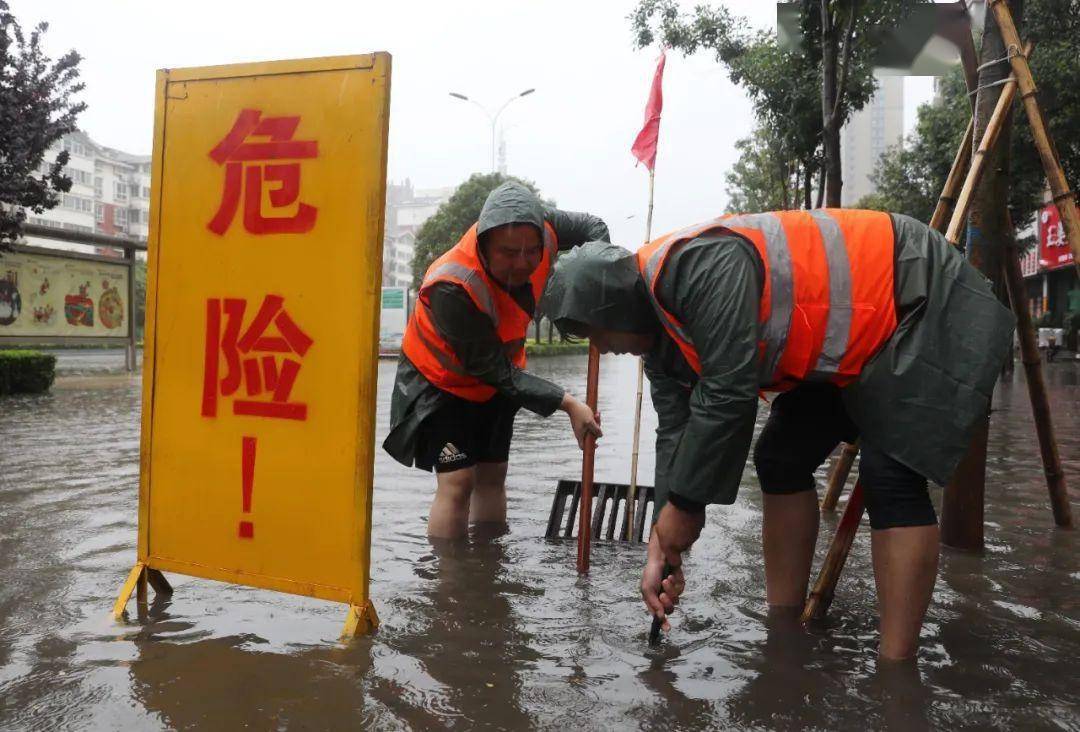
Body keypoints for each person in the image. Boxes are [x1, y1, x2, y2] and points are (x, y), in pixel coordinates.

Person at [541, 209, 1014, 660]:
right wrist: (660, 546)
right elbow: (677, 436)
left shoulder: (701, 267)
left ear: (620, 310)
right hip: (850, 348)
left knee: (890, 475)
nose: (600, 347)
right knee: (780, 458)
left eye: (596, 332)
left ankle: (896, 672)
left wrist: (685, 509)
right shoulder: (661, 344)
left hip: (918, 300)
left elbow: (729, 393)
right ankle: (784, 628)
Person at [384, 181, 608, 540]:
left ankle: (488, 566)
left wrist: (597, 270)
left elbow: (593, 227)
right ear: (483, 243)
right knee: (458, 480)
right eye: (507, 252)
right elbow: (490, 369)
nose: (522, 263)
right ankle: (453, 582)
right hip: (442, 382)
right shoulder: (451, 285)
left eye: (531, 251)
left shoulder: (542, 227)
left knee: (493, 474)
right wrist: (568, 404)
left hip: (503, 376)